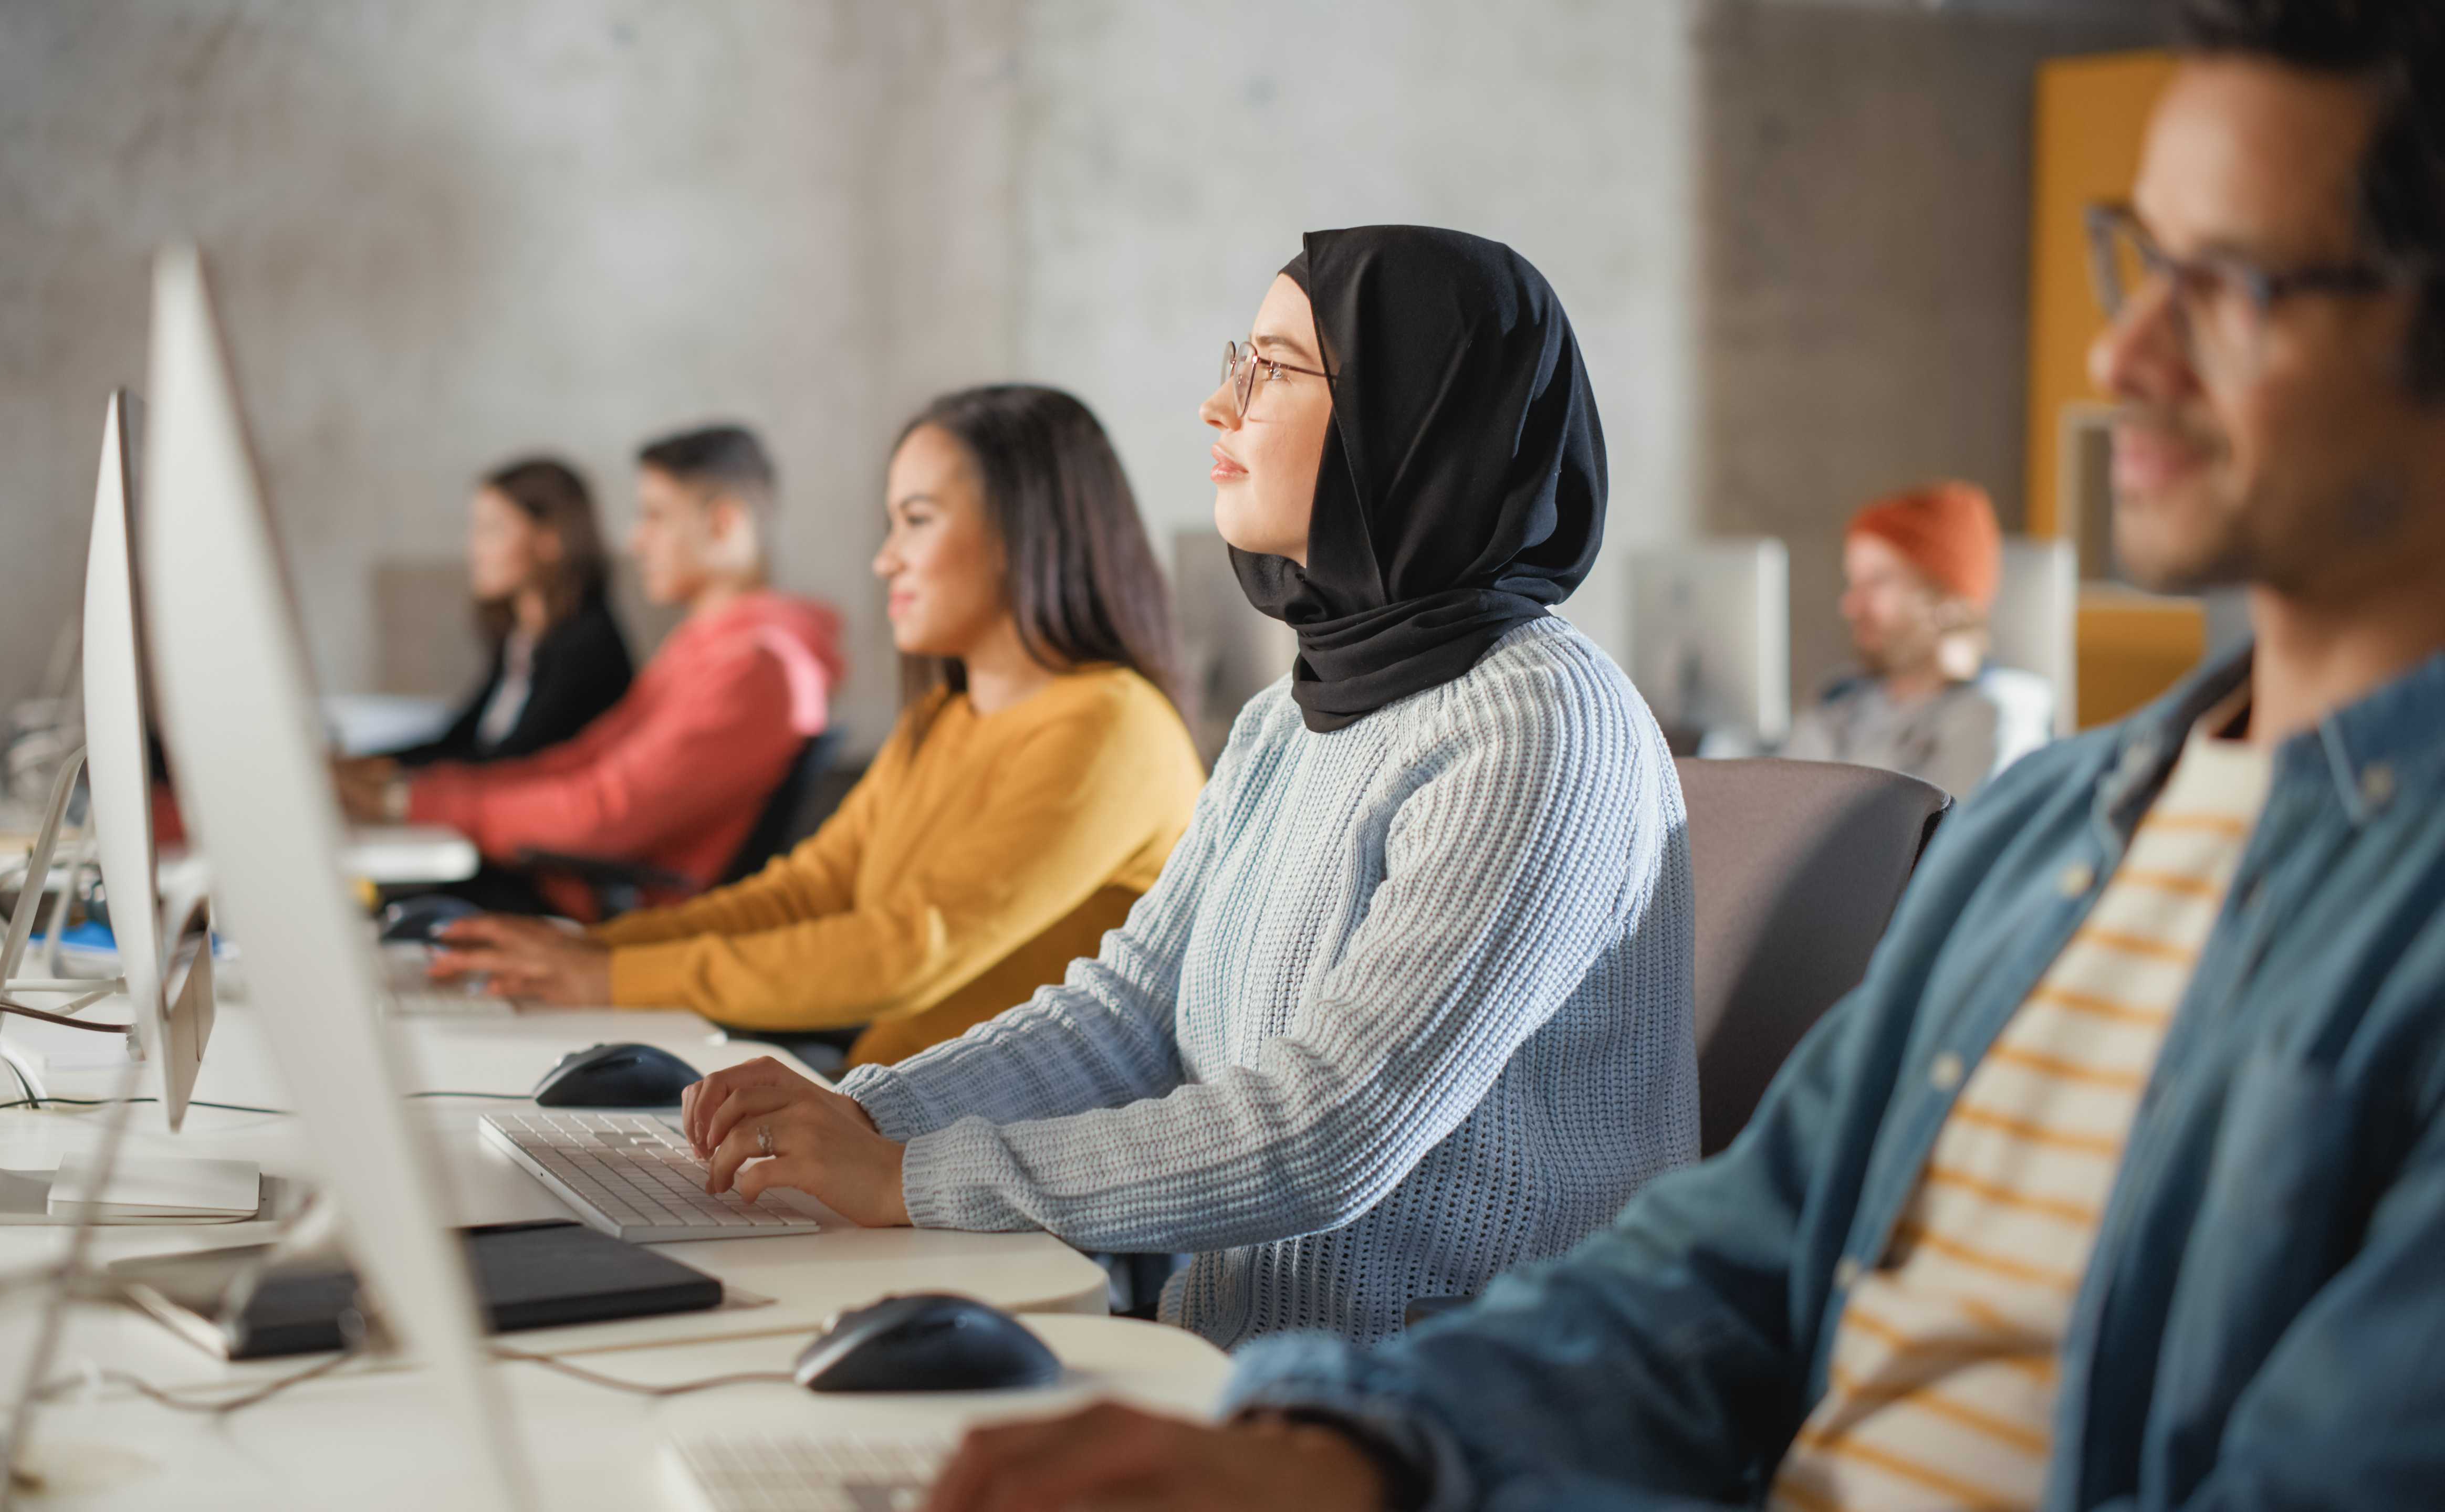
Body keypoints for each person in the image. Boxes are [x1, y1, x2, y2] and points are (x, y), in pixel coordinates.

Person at [913, 4, 2445, 1508]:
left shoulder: (2392, 900)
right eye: (2137, 263)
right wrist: (1338, 1452)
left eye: (2226, 282)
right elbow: (1726, 1268)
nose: (2121, 346)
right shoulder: (2047, 835)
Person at [673, 226, 1697, 1349]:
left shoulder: (1540, 724)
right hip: (1235, 1371)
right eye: (1235, 361)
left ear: (1415, 414)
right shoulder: (1285, 718)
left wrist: (910, 1178)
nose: (1219, 406)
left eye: (1271, 370)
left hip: (1446, 1410)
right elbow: (1126, 1020)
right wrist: (860, 1115)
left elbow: (1329, 1130)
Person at [430, 387, 1206, 1063]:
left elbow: (909, 947)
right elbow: (810, 892)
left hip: (996, 1156)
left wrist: (612, 979)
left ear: (1024, 535)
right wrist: (595, 952)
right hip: (888, 1106)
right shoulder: (946, 714)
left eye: (917, 521)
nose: (885, 560)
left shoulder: (1110, 727)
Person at [339, 425, 844, 914]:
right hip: (570, 882)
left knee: (355, 907)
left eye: (654, 516)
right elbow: (582, 763)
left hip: (601, 912)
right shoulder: (708, 648)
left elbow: (604, 813)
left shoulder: (755, 667)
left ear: (723, 524)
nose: (634, 541)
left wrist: (414, 803)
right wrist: (418, 794)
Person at [1781, 480, 2054, 799]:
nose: (1851, 605)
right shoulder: (1837, 702)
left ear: (1948, 599)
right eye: (1853, 582)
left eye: (1879, 581)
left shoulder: (1989, 719)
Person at [381, 456, 632, 766]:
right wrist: (363, 766)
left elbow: (511, 764)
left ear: (549, 539)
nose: (473, 550)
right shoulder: (524, 637)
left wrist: (384, 780)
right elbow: (463, 738)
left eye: (492, 531)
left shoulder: (589, 649)